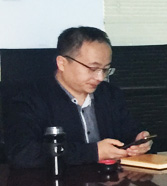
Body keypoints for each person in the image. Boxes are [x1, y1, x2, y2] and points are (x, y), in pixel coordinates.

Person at [4, 26, 151, 168]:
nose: (100, 77)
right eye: (93, 68)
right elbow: (22, 153)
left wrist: (139, 141)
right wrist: (93, 152)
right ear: (62, 63)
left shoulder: (110, 94)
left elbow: (129, 132)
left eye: (105, 69)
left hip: (109, 181)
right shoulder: (29, 99)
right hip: (54, 182)